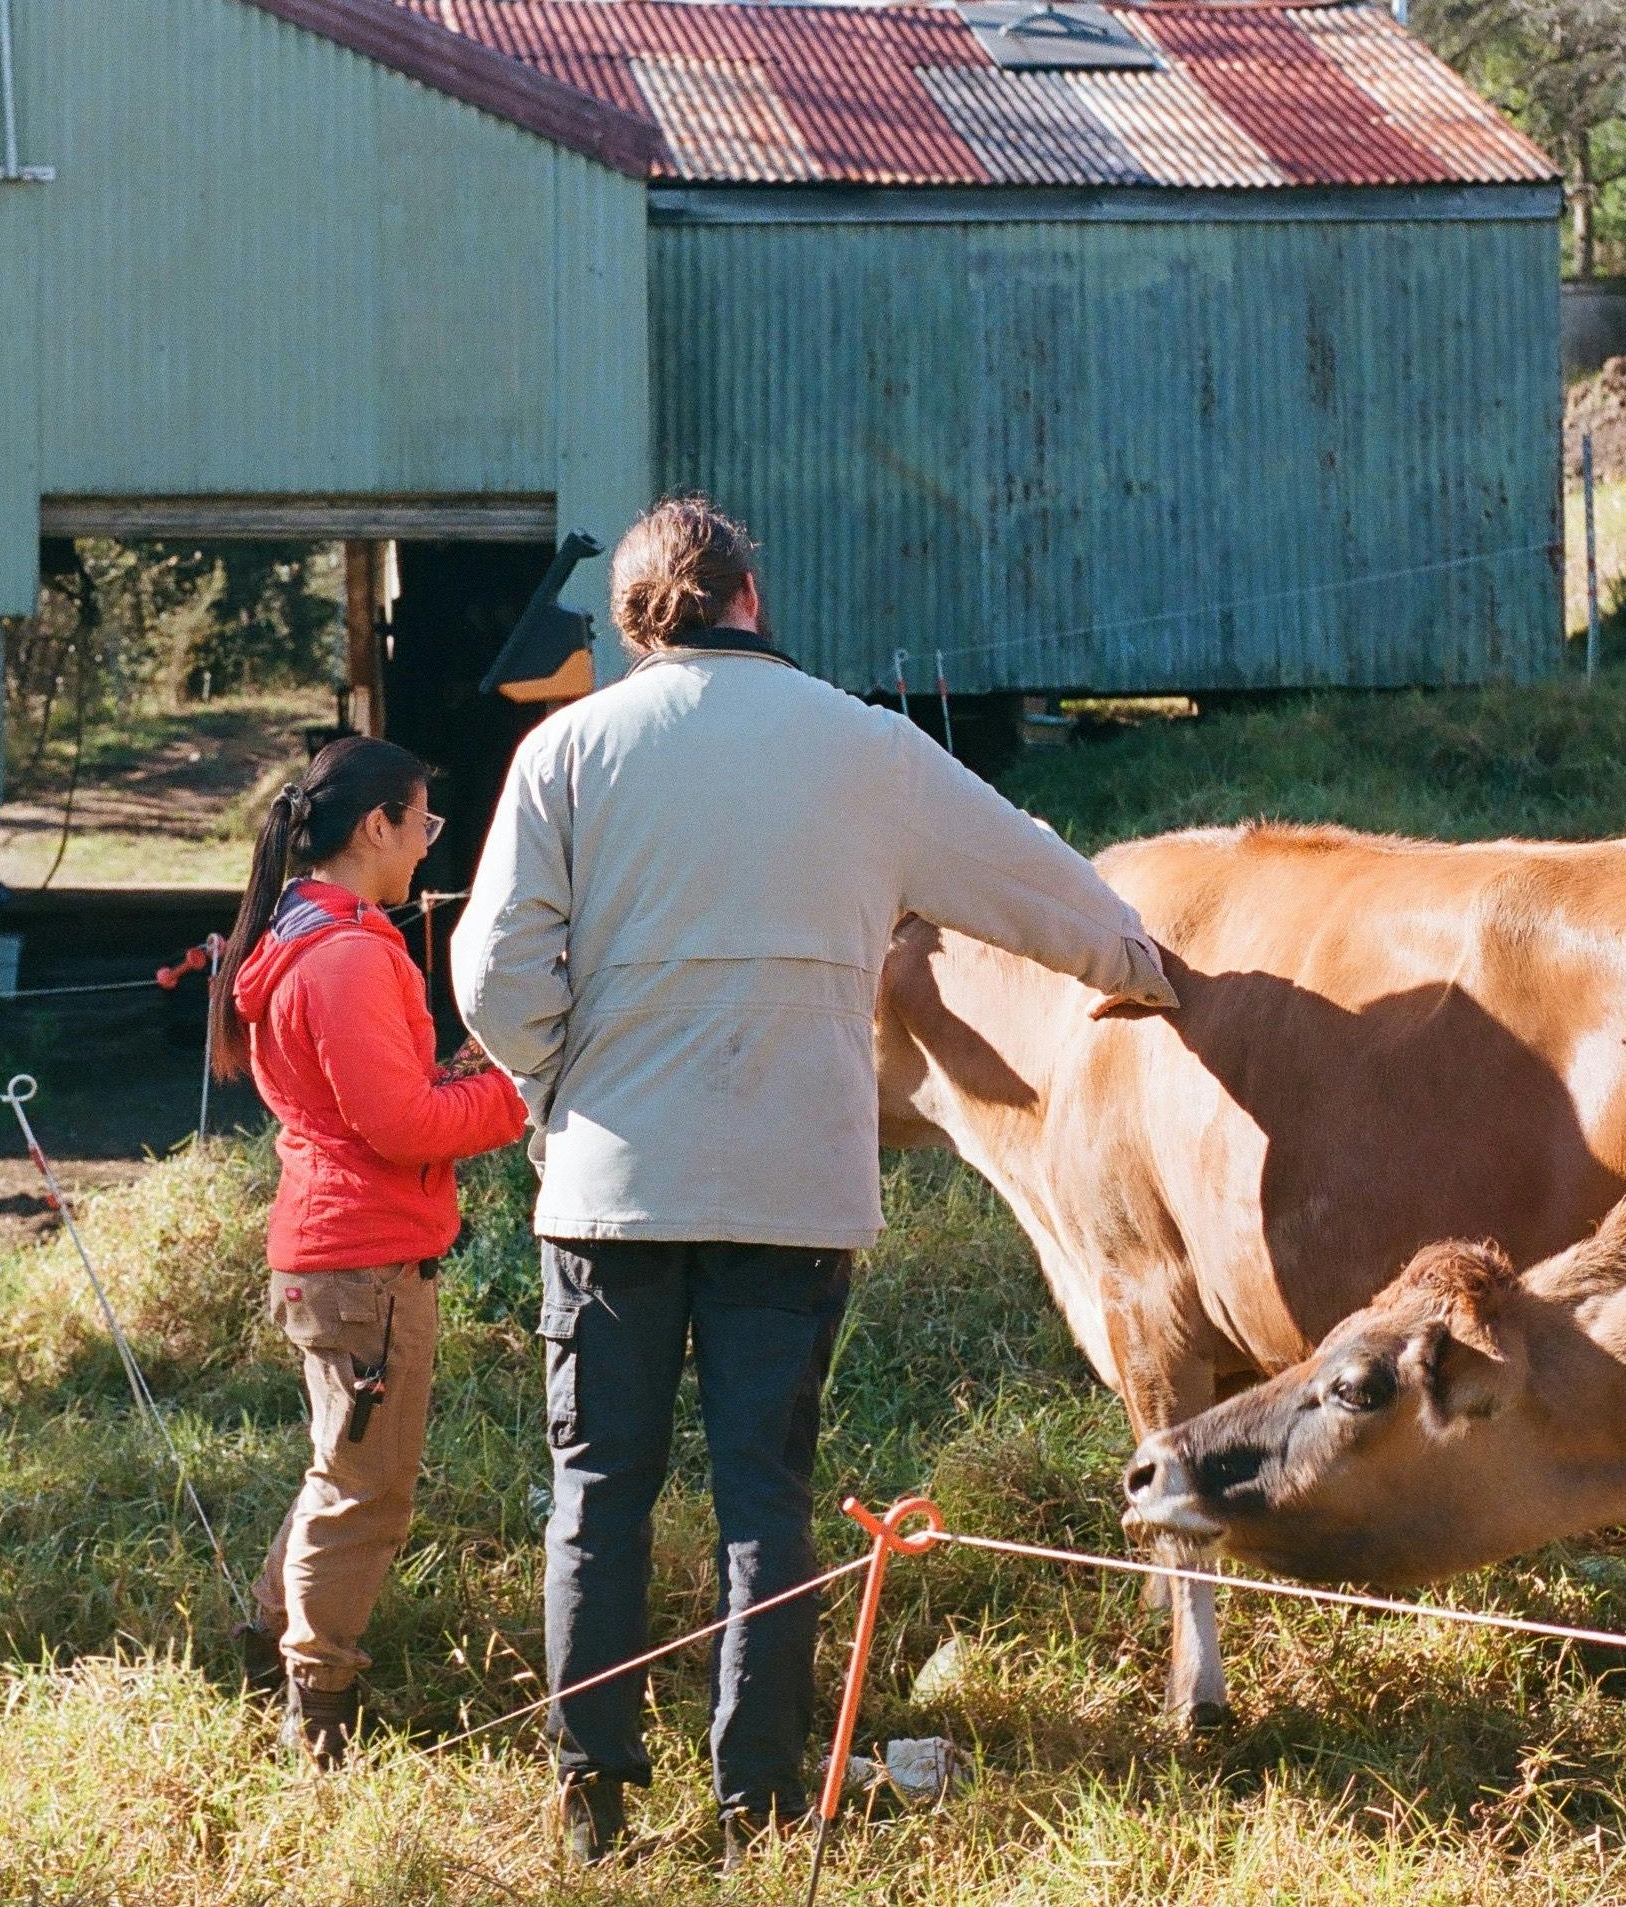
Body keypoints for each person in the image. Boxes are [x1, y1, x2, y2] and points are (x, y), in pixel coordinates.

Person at [451, 498, 1176, 1866]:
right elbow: (1032, 881)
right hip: (792, 1182)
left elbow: (490, 978)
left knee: (598, 1489)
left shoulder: (564, 751)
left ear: (630, 620)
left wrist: (565, 1083)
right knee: (763, 1502)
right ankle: (757, 1793)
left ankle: (591, 1789)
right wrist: (1140, 963)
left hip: (610, 1186)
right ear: (749, 596)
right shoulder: (870, 748)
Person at [213, 735, 527, 1765]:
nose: (427, 847)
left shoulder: (310, 932)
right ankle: (318, 1698)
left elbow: (376, 1098)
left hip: (335, 1247)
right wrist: (517, 1094)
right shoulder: (347, 954)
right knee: (367, 1489)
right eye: (421, 823)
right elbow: (397, 1123)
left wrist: (458, 1076)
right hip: (365, 1263)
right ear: (372, 825)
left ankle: (267, 1639)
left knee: (337, 1467)